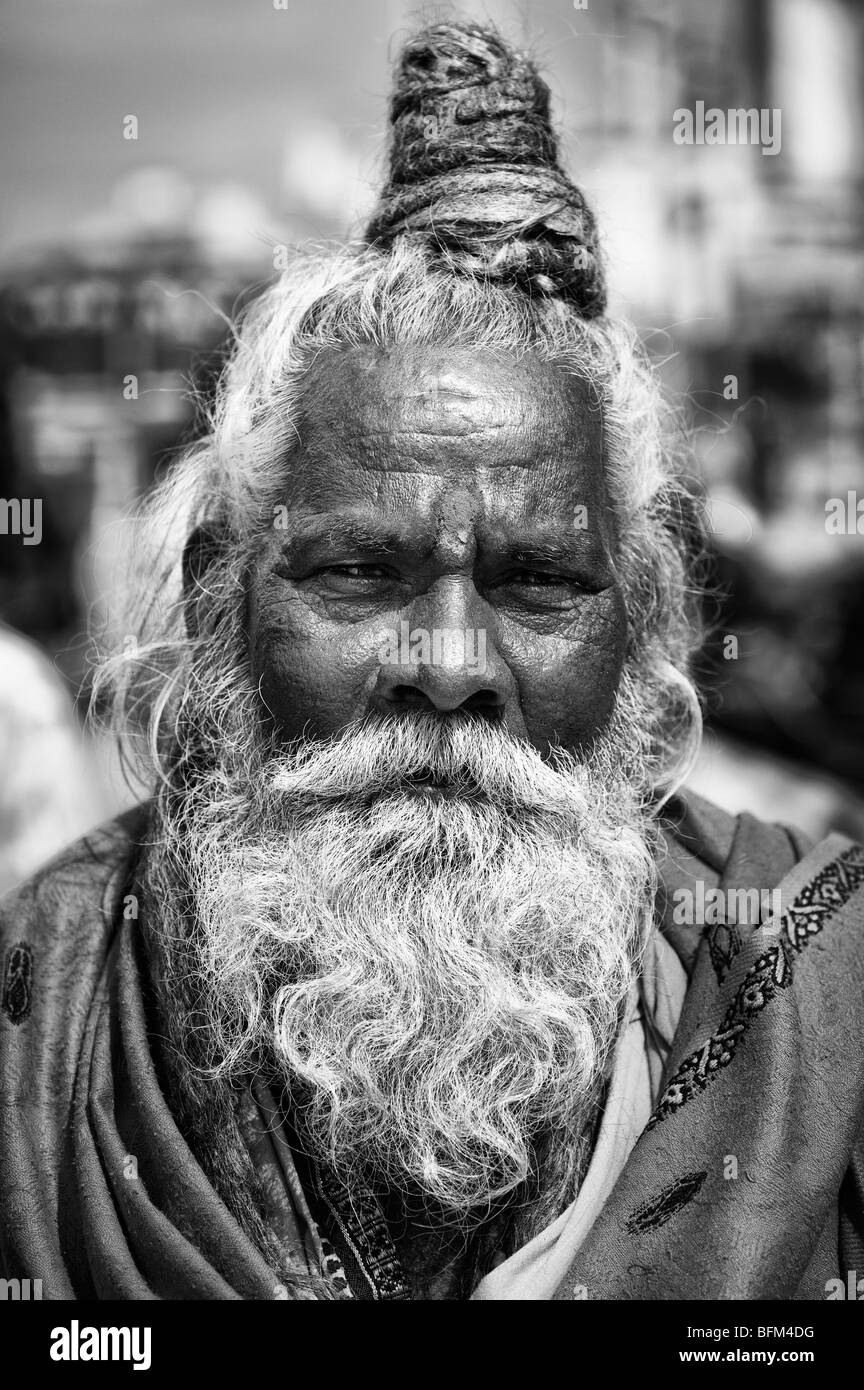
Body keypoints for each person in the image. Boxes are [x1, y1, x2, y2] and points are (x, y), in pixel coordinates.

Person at [1, 20, 862, 1302]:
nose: (452, 664)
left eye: (541, 583)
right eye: (359, 571)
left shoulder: (820, 997)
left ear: (642, 632)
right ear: (218, 597)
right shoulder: (42, 1021)